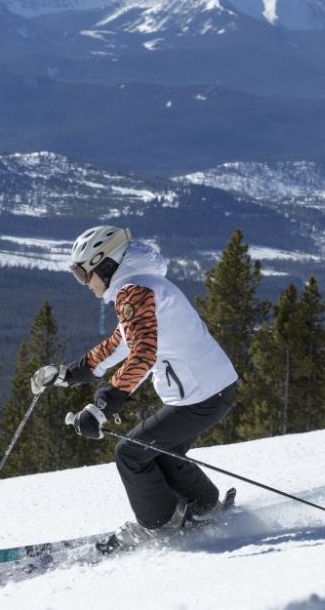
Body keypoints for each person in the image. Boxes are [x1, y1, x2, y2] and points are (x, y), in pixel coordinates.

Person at [31, 225, 238, 549]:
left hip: (202, 395)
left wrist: (103, 406)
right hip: (209, 389)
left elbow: (143, 353)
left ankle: (158, 527)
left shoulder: (135, 291)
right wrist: (69, 374)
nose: (84, 283)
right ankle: (205, 508)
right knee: (159, 452)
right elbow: (120, 344)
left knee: (130, 453)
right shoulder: (139, 287)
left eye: (81, 273)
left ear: (104, 263)